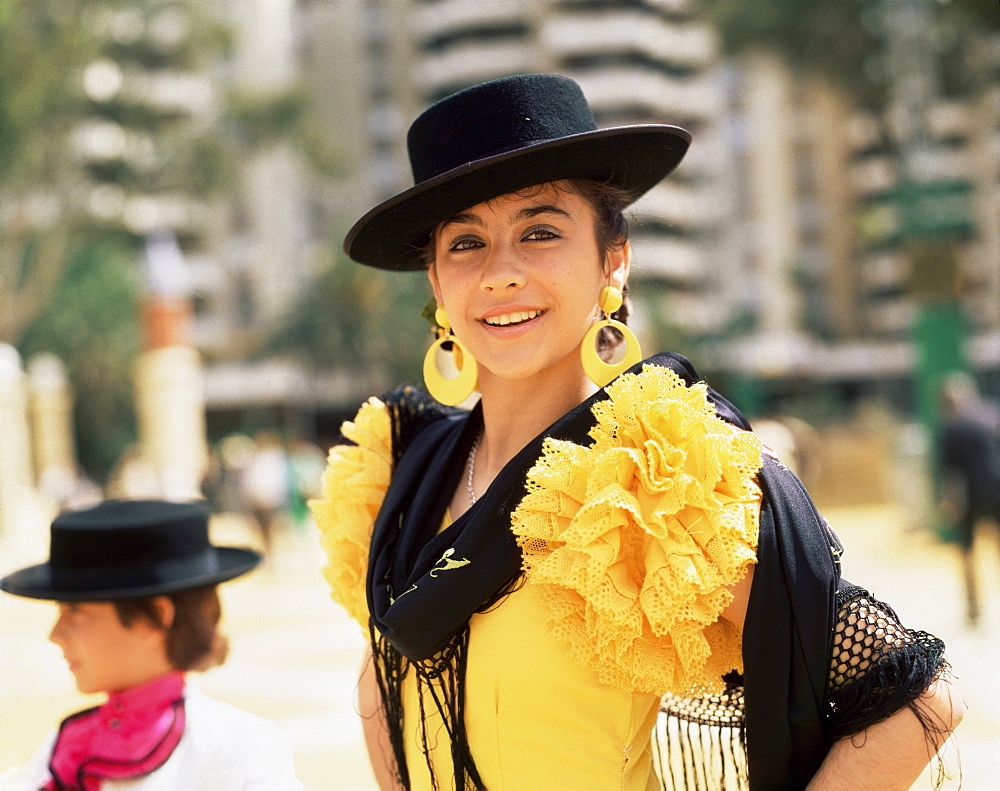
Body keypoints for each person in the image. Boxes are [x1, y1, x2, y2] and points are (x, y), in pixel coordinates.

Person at [310, 74, 963, 790]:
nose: (501, 273)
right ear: (436, 283)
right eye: (466, 242)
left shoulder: (655, 478)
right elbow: (382, 684)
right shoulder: (404, 470)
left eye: (540, 231)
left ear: (612, 259)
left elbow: (920, 699)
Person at [0, 499, 303, 790]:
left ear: (155, 617)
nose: (55, 634)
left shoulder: (239, 750)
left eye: (75, 612)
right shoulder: (65, 745)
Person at [937, 372, 1000, 625]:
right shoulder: (993, 415)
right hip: (997, 490)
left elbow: (951, 474)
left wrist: (950, 503)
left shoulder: (951, 428)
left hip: (970, 496)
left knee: (967, 552)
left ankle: (973, 607)